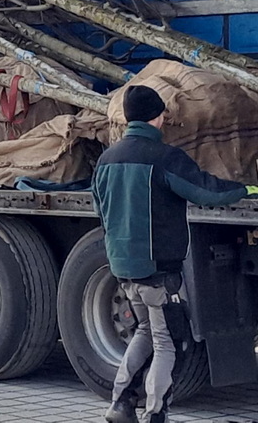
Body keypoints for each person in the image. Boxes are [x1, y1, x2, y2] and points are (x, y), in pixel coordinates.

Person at [92, 85, 258, 423]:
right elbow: (206, 192)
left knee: (145, 332)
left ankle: (120, 404)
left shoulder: (106, 159)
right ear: (157, 117)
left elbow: (100, 209)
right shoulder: (163, 157)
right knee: (170, 341)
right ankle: (156, 414)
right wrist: (247, 188)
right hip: (159, 270)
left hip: (124, 268)